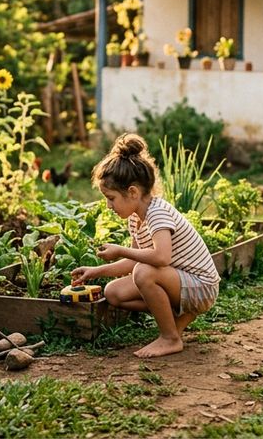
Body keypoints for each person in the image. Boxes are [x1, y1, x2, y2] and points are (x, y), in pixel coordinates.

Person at [72, 133, 220, 358]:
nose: (108, 205)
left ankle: (170, 338)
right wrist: (95, 272)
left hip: (201, 286)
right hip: (180, 284)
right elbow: (134, 260)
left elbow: (160, 258)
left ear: (133, 192)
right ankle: (174, 320)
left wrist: (119, 249)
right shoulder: (135, 217)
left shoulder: (157, 214)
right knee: (114, 293)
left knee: (143, 272)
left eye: (111, 198)